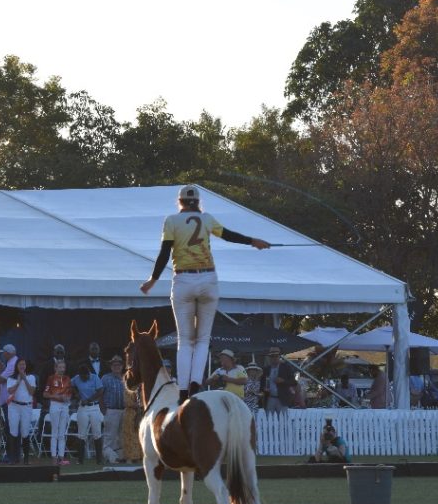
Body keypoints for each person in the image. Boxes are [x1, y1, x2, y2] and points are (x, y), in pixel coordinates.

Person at [140, 185, 270, 403]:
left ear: (179, 201)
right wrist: (252, 241)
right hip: (208, 279)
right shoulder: (207, 219)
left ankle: (182, 391)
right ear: (198, 202)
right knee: (202, 340)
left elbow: (165, 253)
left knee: (185, 340)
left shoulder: (171, 221)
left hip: (183, 279)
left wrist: (152, 280)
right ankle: (194, 385)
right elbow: (228, 236)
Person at [71, 363, 104, 464]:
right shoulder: (76, 378)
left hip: (94, 407)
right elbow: (71, 385)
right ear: (80, 375)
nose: (85, 378)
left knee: (97, 433)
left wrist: (89, 400)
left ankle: (99, 459)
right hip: (83, 408)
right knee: (82, 434)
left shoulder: (94, 378)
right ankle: (80, 460)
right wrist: (77, 396)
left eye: (86, 376)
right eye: (83, 377)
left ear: (89, 373)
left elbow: (100, 391)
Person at [6, 357, 36, 464]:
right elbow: (10, 391)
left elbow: (32, 392)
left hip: (26, 407)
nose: (22, 366)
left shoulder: (31, 377)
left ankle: (26, 458)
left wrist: (25, 379)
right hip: (14, 406)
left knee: (25, 431)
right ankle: (13, 458)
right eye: (20, 364)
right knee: (13, 431)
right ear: (16, 366)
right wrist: (18, 381)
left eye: (24, 364)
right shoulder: (11, 378)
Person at [43, 360, 72, 466]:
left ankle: (61, 457)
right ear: (56, 368)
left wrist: (67, 398)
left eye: (63, 367)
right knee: (55, 432)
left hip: (65, 406)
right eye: (60, 367)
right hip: (55, 405)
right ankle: (54, 457)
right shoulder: (51, 378)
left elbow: (70, 394)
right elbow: (45, 394)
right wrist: (56, 396)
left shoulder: (67, 379)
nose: (62, 369)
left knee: (62, 433)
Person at [100, 355, 127, 463]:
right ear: (111, 366)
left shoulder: (126, 377)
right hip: (111, 410)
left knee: (121, 436)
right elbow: (100, 394)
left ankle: (120, 457)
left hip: (124, 410)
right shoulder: (105, 378)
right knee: (109, 437)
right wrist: (103, 409)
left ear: (122, 366)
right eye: (114, 365)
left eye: (119, 364)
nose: (116, 366)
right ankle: (111, 457)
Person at [261, 347, 296, 414]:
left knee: (283, 420)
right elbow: (262, 383)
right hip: (269, 398)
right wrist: (264, 389)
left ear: (279, 357)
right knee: (269, 420)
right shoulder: (266, 369)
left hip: (282, 399)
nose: (274, 358)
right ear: (269, 358)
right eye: (272, 356)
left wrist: (283, 381)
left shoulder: (286, 367)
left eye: (276, 356)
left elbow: (294, 382)